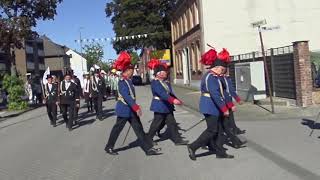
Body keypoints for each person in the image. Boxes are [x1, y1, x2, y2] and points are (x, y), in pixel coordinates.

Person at [105, 51, 161, 156]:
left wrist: (135, 107)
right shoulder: (122, 81)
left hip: (131, 111)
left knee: (139, 129)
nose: (132, 72)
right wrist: (136, 107)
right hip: (124, 110)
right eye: (131, 70)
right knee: (117, 130)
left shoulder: (128, 80)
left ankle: (148, 149)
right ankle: (109, 147)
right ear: (127, 70)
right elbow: (126, 96)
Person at [187, 48, 234, 160]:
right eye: (222, 69)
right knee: (212, 130)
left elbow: (223, 93)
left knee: (218, 130)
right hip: (210, 106)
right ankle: (193, 146)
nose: (223, 71)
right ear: (217, 68)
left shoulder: (215, 77)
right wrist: (224, 108)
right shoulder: (210, 77)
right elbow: (215, 94)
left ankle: (219, 152)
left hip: (213, 106)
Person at [147, 59, 188, 146]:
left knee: (172, 123)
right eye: (165, 71)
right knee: (156, 124)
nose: (166, 73)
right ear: (159, 73)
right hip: (160, 106)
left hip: (167, 106)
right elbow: (162, 94)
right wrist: (173, 100)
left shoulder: (165, 82)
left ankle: (177, 140)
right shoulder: (155, 83)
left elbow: (170, 93)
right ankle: (148, 139)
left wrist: (177, 100)